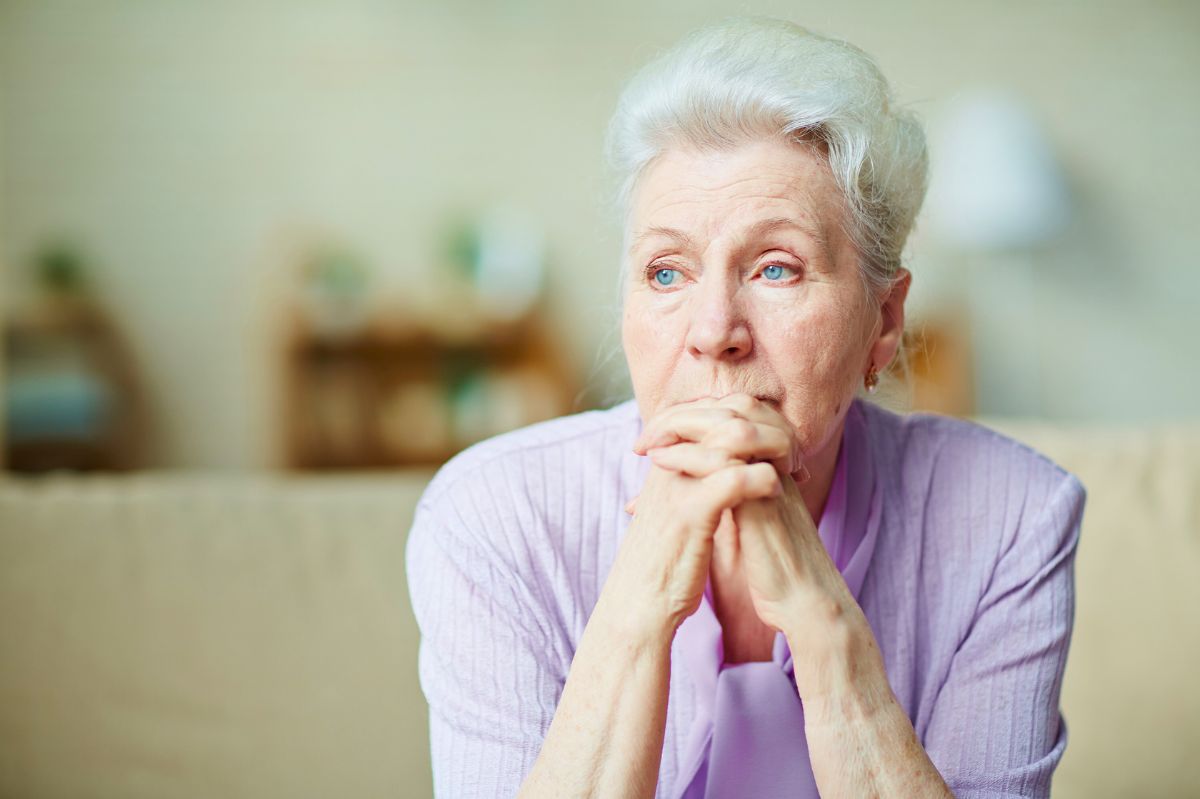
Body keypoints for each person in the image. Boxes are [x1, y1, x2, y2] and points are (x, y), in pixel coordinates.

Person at [406, 17, 1086, 799]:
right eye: (667, 273)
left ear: (884, 322)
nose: (712, 332)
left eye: (776, 268)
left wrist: (822, 621)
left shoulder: (1014, 518)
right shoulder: (492, 517)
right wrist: (641, 596)